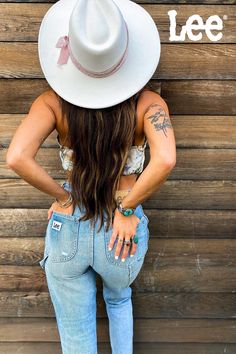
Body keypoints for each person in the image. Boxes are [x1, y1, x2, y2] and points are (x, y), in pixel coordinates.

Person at [6, 0, 176, 353]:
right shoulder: (149, 105)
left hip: (70, 223)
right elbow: (165, 160)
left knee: (76, 338)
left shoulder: (52, 103)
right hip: (121, 230)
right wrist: (127, 210)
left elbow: (18, 157)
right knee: (118, 299)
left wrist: (63, 197)